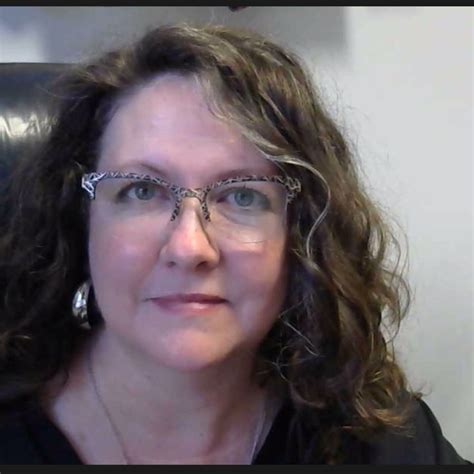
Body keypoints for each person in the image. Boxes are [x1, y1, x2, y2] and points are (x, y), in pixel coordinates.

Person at [0, 23, 470, 465]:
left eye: (243, 196)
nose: (189, 247)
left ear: (301, 235)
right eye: (141, 190)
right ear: (80, 218)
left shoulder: (373, 437)